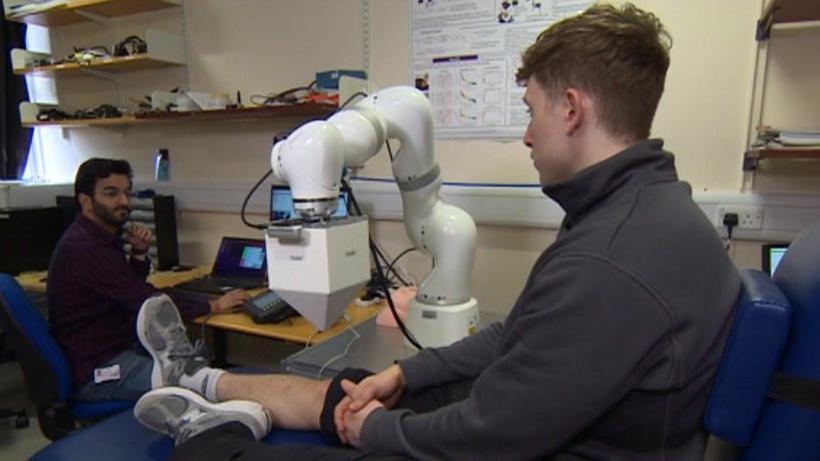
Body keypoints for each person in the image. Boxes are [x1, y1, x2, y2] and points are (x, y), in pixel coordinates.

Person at [132, 3, 740, 460]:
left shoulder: (612, 258)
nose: (527, 134)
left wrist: (376, 431)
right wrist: (407, 374)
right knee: (356, 387)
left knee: (292, 437)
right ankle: (201, 377)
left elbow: (493, 436)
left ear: (573, 109)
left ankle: (208, 430)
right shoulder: (639, 212)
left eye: (531, 111)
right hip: (542, 426)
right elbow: (519, 333)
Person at [48, 158, 249, 402]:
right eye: (111, 194)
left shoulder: (98, 238)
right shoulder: (84, 248)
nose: (123, 201)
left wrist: (139, 253)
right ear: (86, 202)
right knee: (195, 385)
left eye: (127, 192)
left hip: (117, 349)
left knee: (197, 371)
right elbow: (144, 298)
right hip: (97, 370)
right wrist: (212, 305)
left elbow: (124, 288)